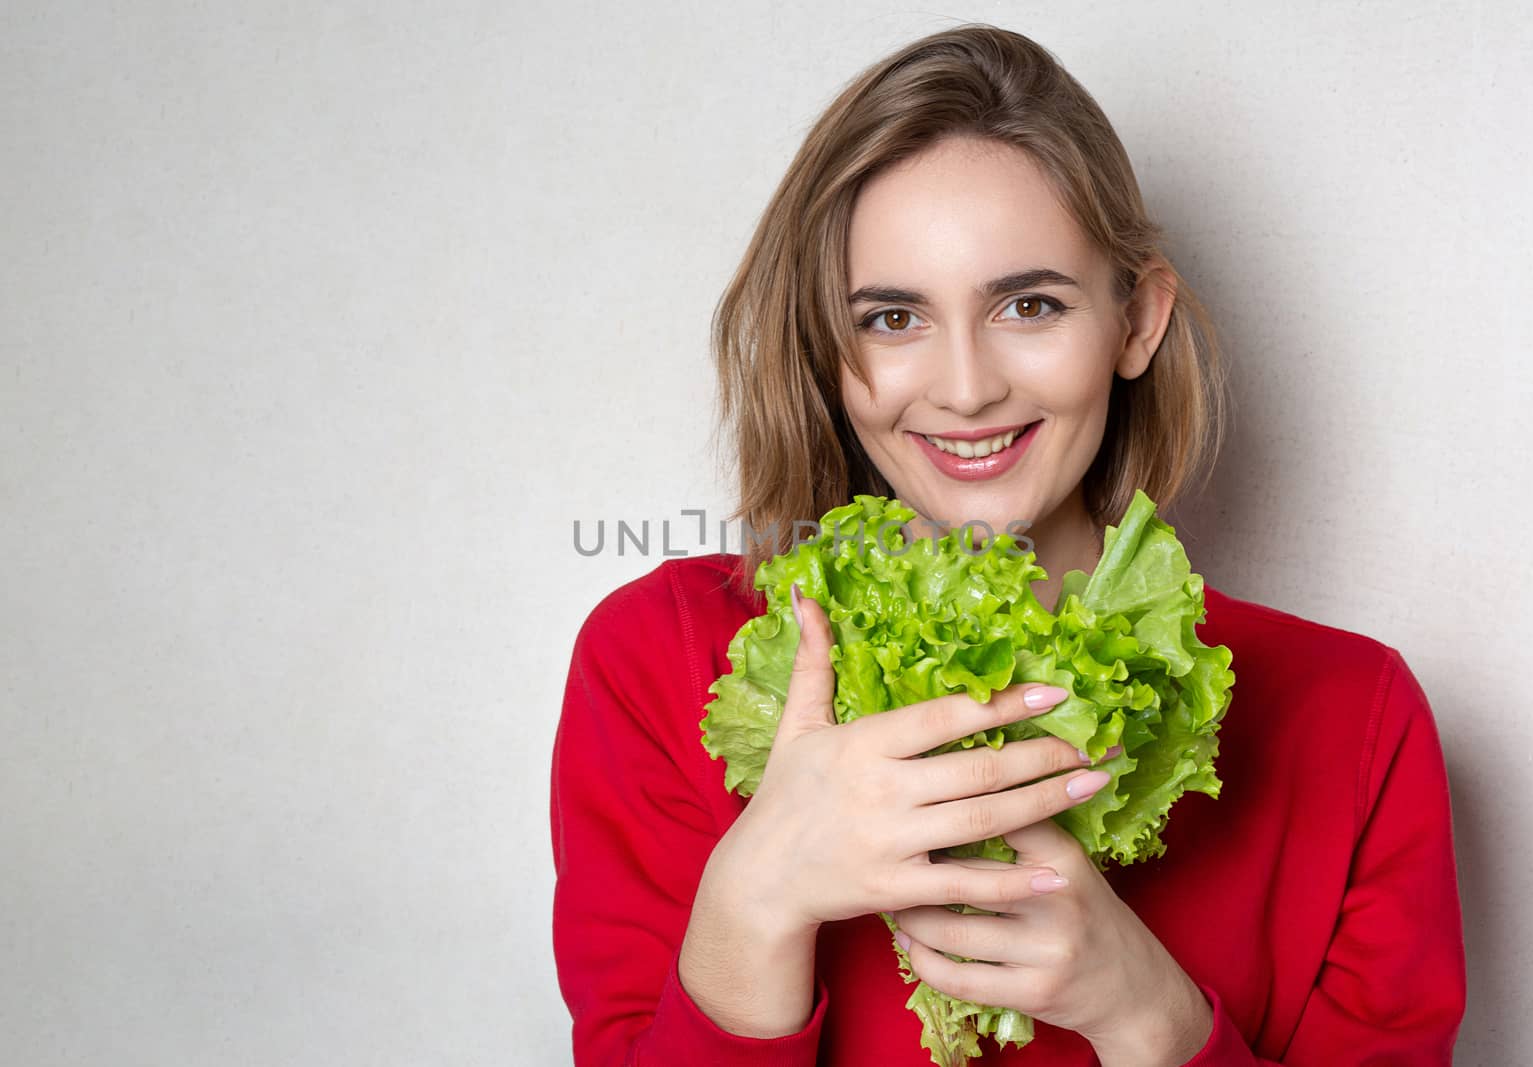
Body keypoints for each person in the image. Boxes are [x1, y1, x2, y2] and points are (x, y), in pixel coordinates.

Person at [550, 23, 1466, 1067]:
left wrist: (1148, 1015)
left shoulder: (1352, 716)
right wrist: (753, 901)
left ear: (1135, 321)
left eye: (1029, 304)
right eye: (893, 317)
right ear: (825, 348)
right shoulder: (659, 659)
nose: (967, 386)